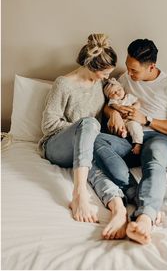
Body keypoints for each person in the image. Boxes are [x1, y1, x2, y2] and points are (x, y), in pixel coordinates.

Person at [93, 38, 167, 245]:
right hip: (127, 139)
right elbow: (110, 105)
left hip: (158, 138)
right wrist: (113, 114)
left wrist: (146, 120)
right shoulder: (124, 79)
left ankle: (145, 217)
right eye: (128, 67)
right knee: (95, 140)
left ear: (152, 66)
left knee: (154, 160)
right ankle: (134, 192)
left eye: (134, 70)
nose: (129, 74)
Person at [39, 33, 121, 227]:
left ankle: (119, 207)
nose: (108, 77)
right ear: (93, 67)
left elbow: (112, 86)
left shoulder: (100, 82)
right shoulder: (64, 84)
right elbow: (48, 125)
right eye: (105, 73)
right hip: (56, 145)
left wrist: (115, 101)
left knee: (95, 170)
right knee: (90, 124)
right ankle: (79, 194)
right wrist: (85, 130)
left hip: (84, 147)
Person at [103, 77, 143, 154]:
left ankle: (138, 143)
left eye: (119, 90)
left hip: (130, 120)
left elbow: (138, 103)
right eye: (113, 93)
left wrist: (133, 107)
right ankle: (122, 132)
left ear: (123, 88)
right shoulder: (113, 101)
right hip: (120, 121)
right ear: (109, 97)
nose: (117, 93)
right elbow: (114, 106)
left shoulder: (129, 97)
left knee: (134, 126)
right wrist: (119, 107)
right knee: (111, 125)